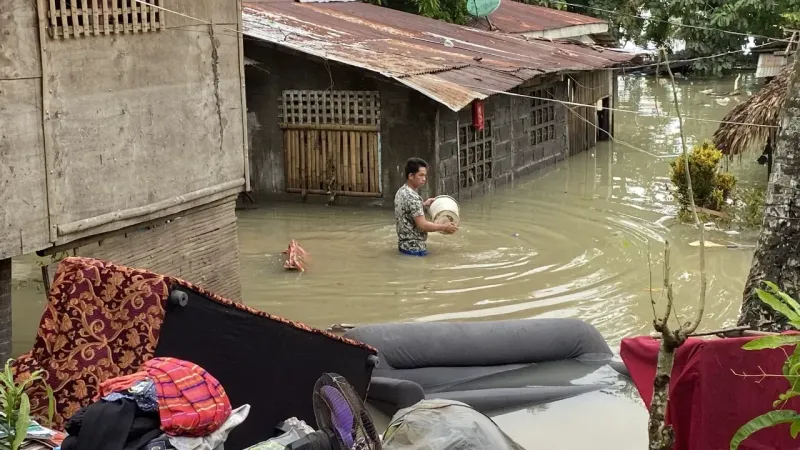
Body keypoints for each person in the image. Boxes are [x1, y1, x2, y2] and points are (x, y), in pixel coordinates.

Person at [395, 158, 459, 256]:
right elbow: (423, 225)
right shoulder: (413, 198)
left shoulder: (401, 191)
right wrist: (444, 227)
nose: (424, 179)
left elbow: (407, 212)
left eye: (425, 175)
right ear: (411, 176)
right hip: (415, 249)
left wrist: (423, 205)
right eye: (421, 175)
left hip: (403, 246)